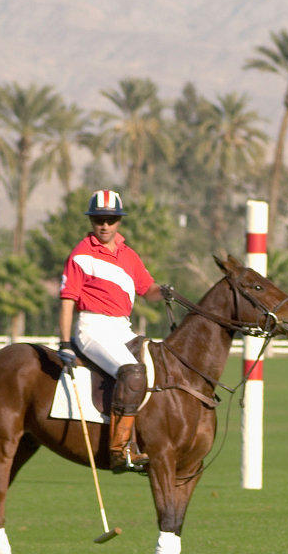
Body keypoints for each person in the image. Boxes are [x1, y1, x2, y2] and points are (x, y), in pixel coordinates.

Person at [57, 190, 166, 472]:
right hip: (92, 326)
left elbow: (148, 290)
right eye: (98, 220)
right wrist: (65, 341)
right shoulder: (81, 254)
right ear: (92, 221)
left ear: (119, 221)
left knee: (158, 368)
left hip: (122, 327)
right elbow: (68, 300)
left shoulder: (129, 256)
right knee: (131, 371)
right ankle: (120, 450)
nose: (104, 225)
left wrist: (164, 292)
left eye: (110, 219)